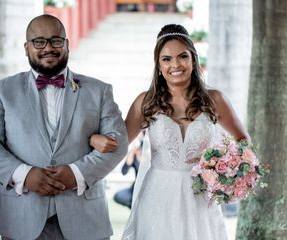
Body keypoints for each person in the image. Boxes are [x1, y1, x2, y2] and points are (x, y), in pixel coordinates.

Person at [0, 14, 128, 240]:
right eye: (39, 41)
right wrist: (24, 175)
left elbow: (119, 142)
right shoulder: (3, 91)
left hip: (84, 219)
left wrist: (76, 173)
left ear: (66, 45)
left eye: (56, 40)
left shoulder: (99, 90)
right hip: (21, 218)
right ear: (27, 48)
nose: (48, 48)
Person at [90, 24, 250, 239]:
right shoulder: (145, 102)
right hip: (158, 197)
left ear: (193, 60)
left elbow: (242, 141)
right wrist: (93, 138)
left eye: (182, 56)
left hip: (200, 199)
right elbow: (119, 144)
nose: (175, 64)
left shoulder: (215, 100)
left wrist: (220, 169)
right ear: (158, 64)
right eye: (167, 59)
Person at [113, 132, 143, 208]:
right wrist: (131, 153)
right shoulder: (133, 154)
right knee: (118, 196)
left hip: (147, 188)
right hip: (135, 188)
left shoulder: (149, 153)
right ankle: (134, 207)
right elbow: (124, 172)